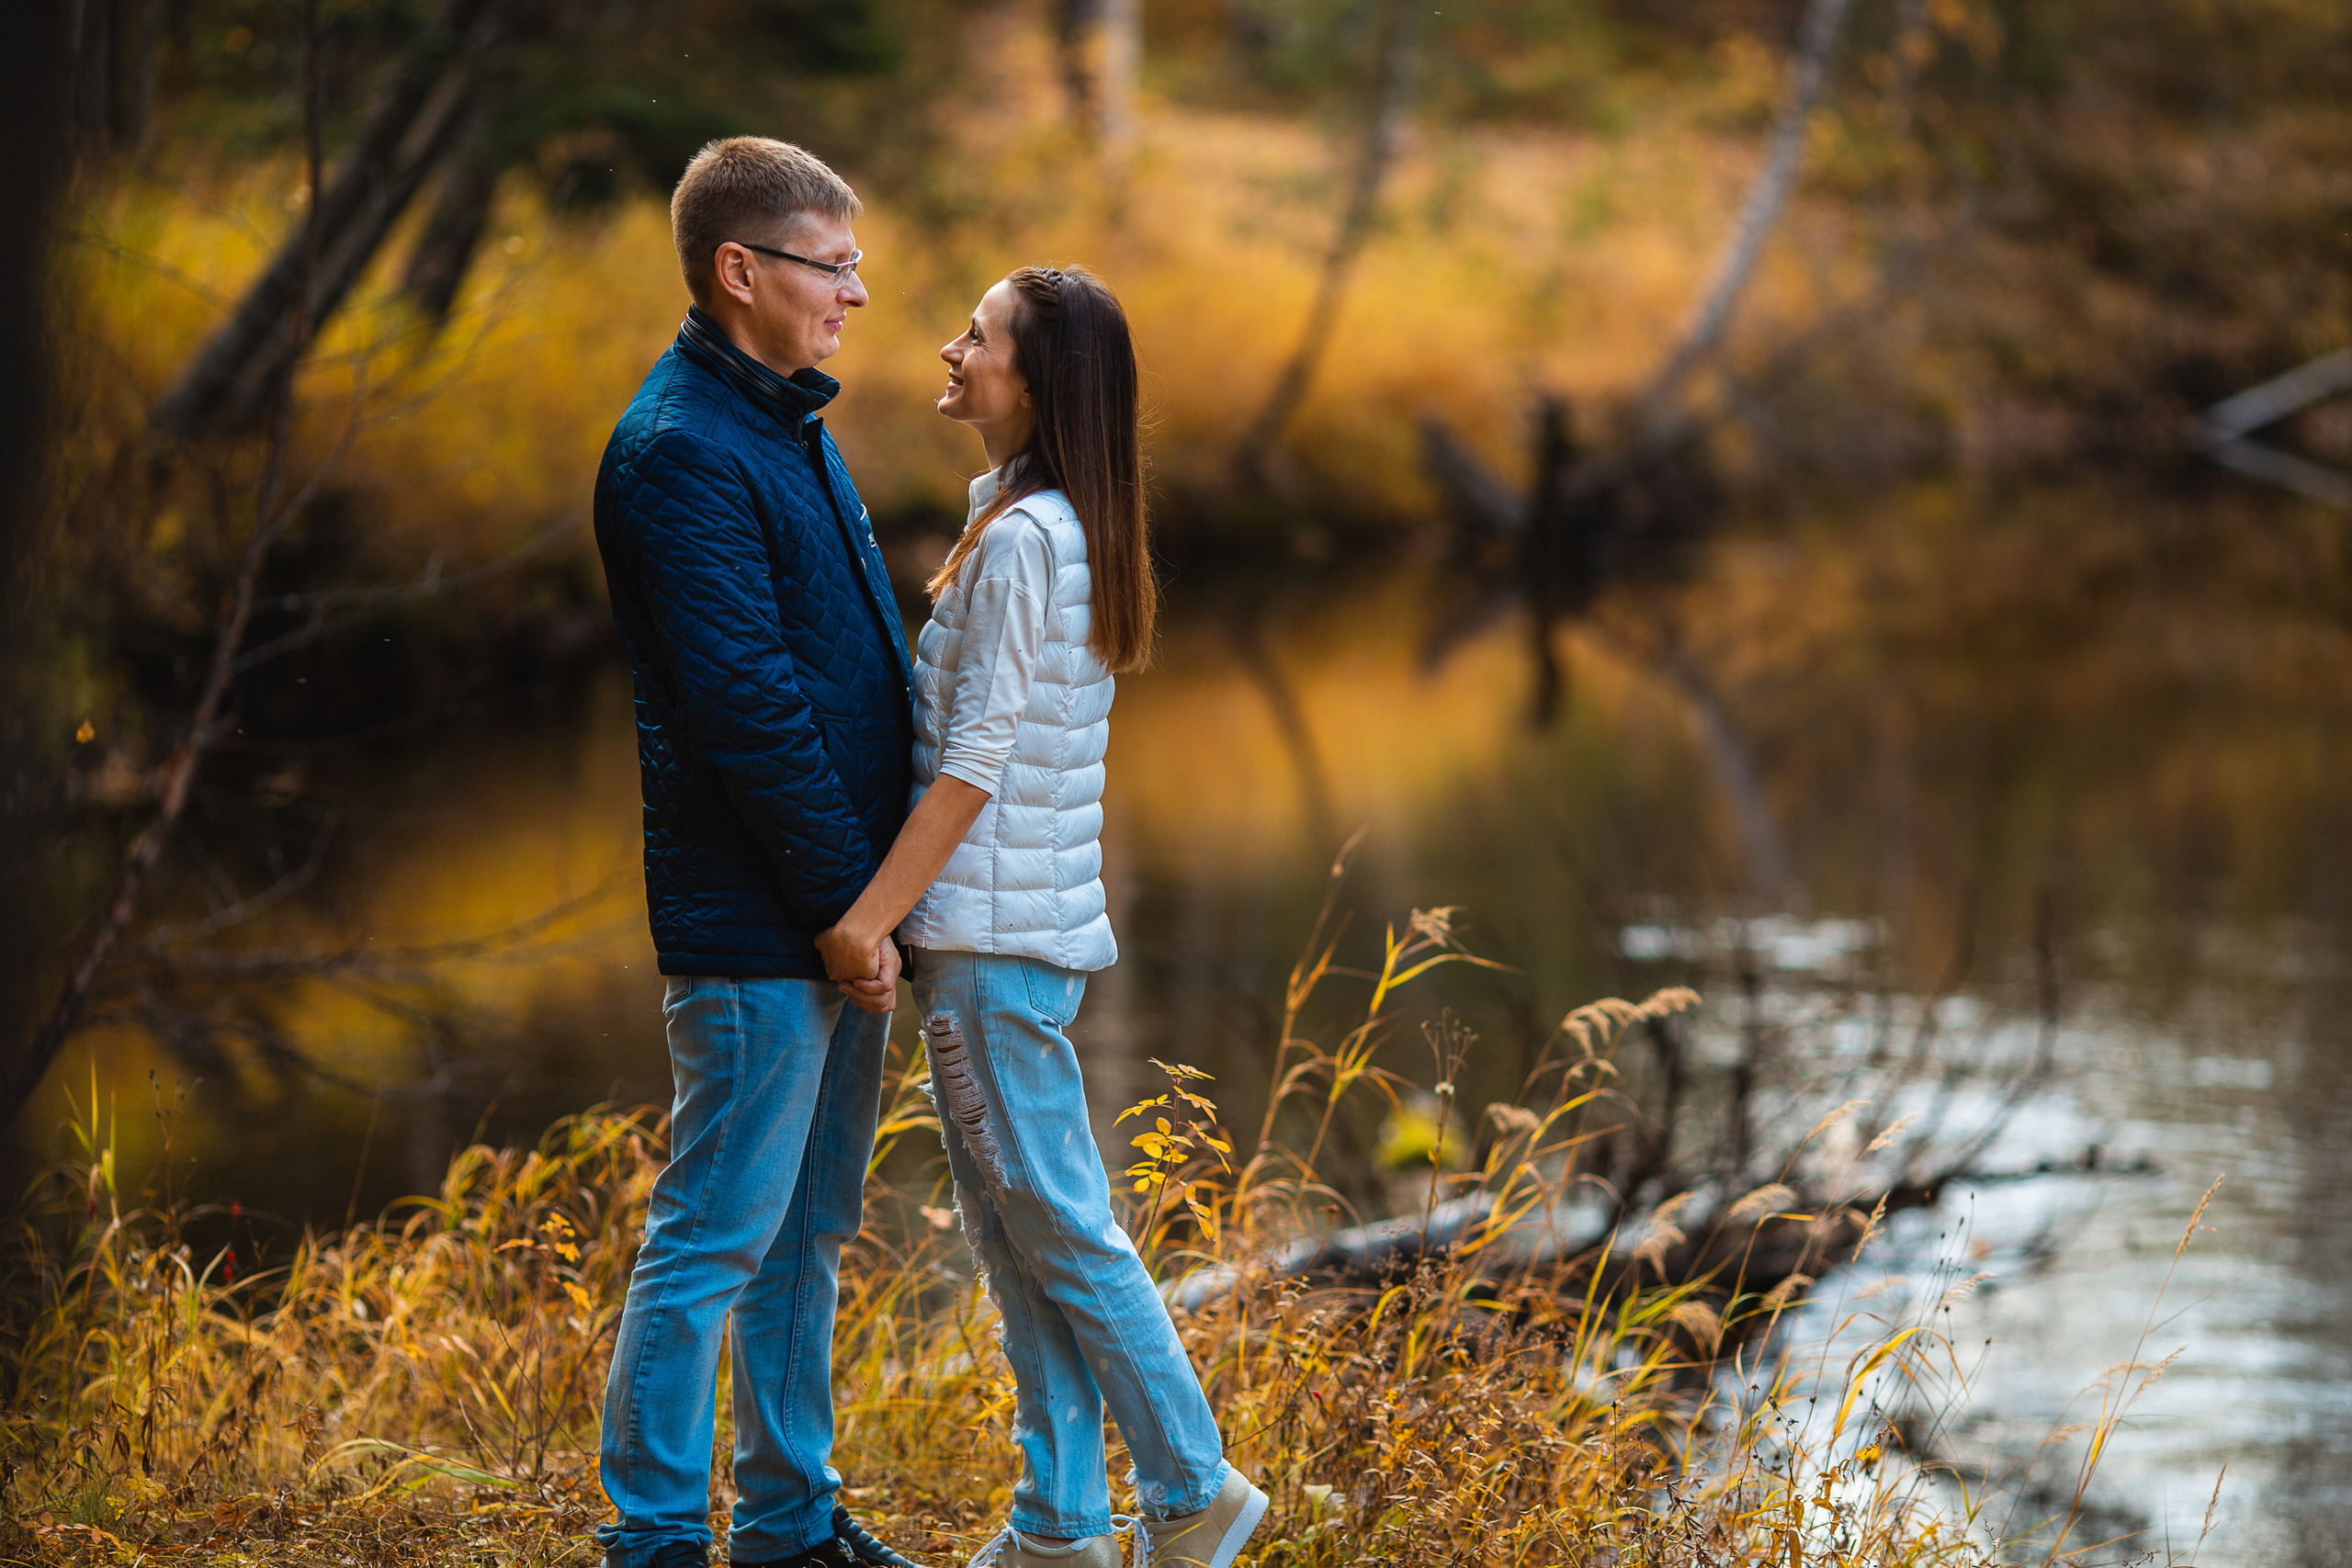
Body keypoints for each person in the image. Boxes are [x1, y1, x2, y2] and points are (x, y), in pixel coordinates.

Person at [814, 266, 1268, 1568]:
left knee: (1057, 1224)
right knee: (1019, 1234)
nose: (950, 349)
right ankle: (1059, 1529)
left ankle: (1191, 1494)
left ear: (1038, 378)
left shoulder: (1021, 543)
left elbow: (975, 764)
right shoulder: (1034, 521)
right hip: (1007, 937)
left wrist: (870, 922)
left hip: (990, 946)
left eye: (980, 336)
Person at [591, 136, 921, 1568]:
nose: (856, 292)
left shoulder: (781, 421)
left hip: (842, 911)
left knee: (806, 1237)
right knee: (716, 1235)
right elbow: (749, 714)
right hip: (760, 924)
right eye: (830, 266)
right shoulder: (680, 450)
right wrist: (854, 908)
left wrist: (878, 901)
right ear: (742, 271)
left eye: (854, 264)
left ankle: (790, 1528)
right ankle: (654, 1540)